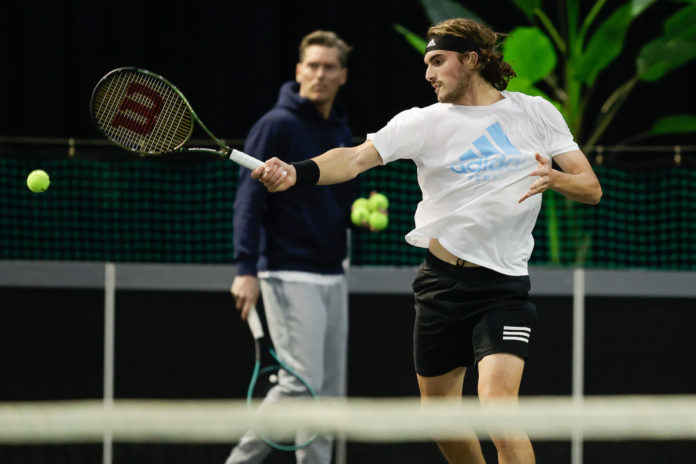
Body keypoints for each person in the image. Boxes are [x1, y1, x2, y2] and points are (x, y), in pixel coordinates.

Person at [253, 18, 602, 464]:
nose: (428, 73)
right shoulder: (422, 123)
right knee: (439, 419)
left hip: (503, 289)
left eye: (438, 60)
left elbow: (590, 186)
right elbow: (354, 158)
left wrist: (555, 178)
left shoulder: (534, 113)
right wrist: (296, 172)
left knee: (499, 410)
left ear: (471, 60)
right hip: (440, 286)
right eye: (426, 63)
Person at [227, 30, 355, 464]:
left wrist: (356, 213)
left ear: (342, 75)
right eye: (312, 66)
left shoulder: (340, 128)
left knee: (327, 394)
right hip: (286, 270)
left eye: (329, 67)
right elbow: (249, 201)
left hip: (333, 271)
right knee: (299, 386)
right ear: (299, 71)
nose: (319, 74)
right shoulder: (276, 125)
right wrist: (246, 269)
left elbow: (333, 197)